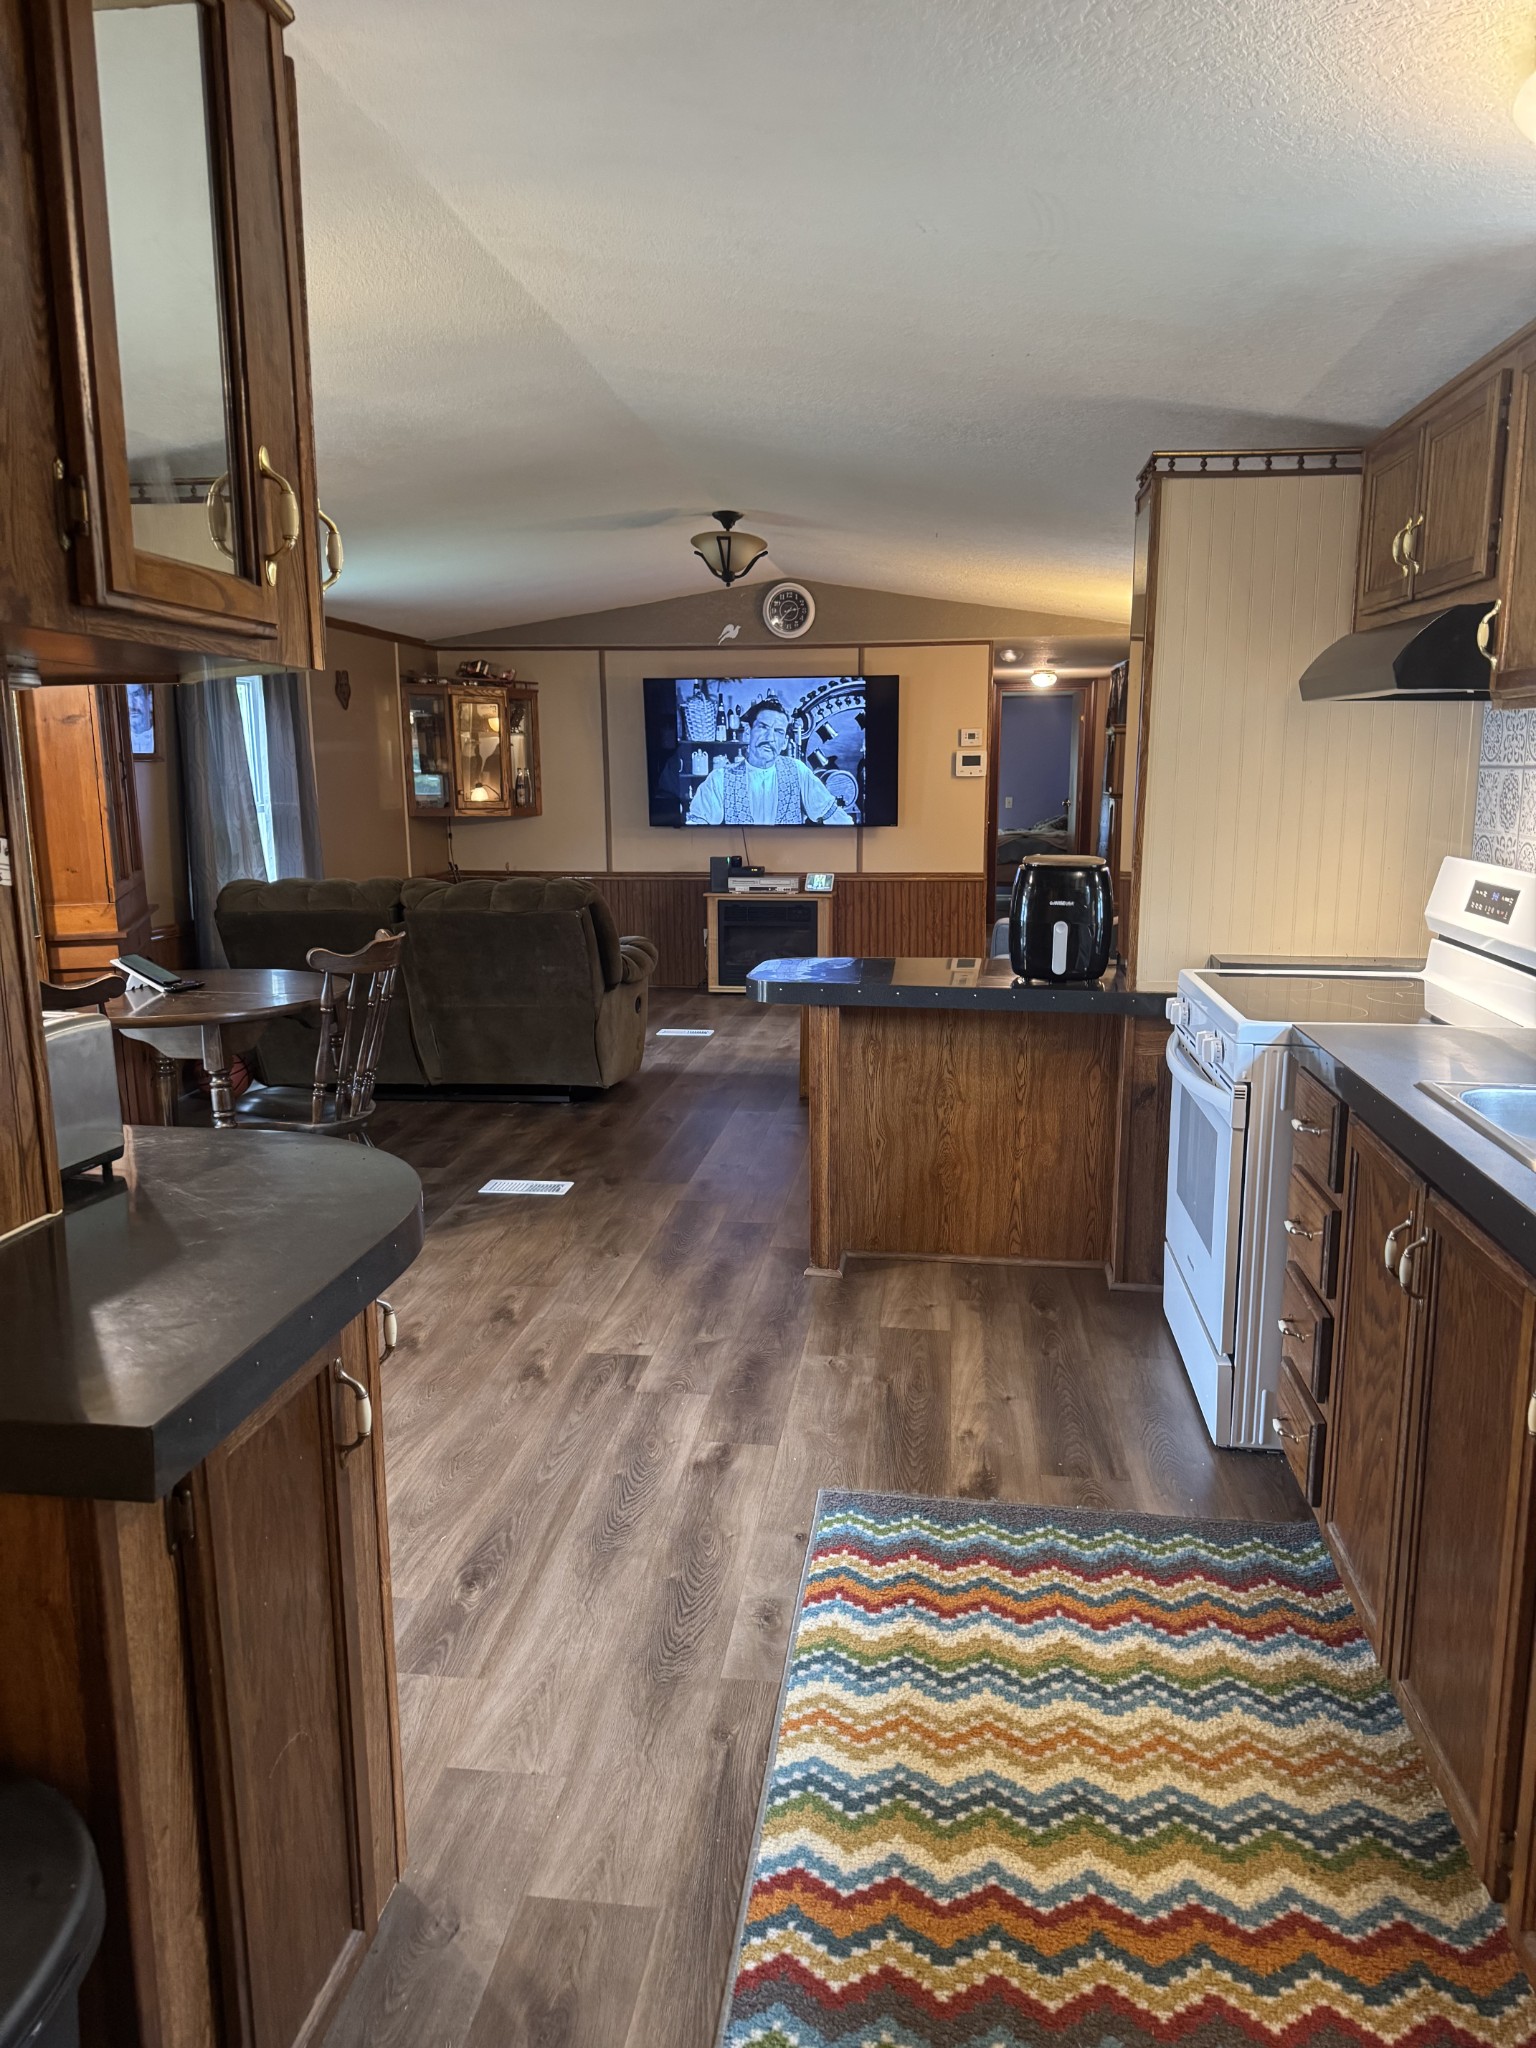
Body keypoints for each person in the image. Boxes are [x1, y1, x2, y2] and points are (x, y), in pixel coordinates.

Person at [687, 699, 852, 825]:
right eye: (763, 727)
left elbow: (836, 818)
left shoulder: (797, 771)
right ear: (748, 731)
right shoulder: (720, 778)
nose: (770, 738)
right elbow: (695, 831)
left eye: (778, 732)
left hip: (791, 863)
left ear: (785, 742)